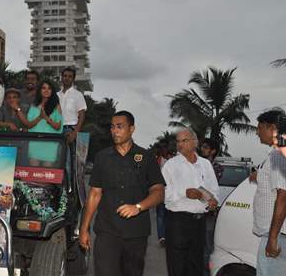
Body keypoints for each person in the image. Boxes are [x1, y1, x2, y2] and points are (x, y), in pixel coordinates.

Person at [79, 110, 166, 276]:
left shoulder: (146, 157)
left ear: (132, 129)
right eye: (112, 127)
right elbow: (95, 194)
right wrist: (84, 228)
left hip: (136, 233)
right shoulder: (102, 157)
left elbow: (158, 192)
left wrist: (138, 207)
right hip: (107, 231)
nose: (114, 131)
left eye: (120, 126)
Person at [162, 128, 219, 276]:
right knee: (177, 266)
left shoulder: (205, 164)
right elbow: (163, 193)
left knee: (196, 266)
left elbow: (214, 189)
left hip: (199, 222)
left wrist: (213, 201)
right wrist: (184, 193)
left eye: (184, 140)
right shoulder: (170, 165)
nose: (180, 144)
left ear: (195, 142)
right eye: (178, 141)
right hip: (177, 222)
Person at [252, 109, 286, 275]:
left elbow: (283, 196)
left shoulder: (278, 154)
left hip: (277, 234)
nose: (257, 132)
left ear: (272, 128)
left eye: (259, 127)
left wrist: (273, 238)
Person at [17, 80, 63, 166]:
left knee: (46, 175)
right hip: (35, 143)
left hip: (50, 145)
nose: (46, 90)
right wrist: (40, 117)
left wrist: (46, 118)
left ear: (52, 91)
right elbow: (29, 125)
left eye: (49, 88)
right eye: (43, 88)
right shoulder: (34, 106)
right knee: (34, 175)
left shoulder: (57, 106)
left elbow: (58, 127)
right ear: (40, 90)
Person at [200, 137, 223, 275]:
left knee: (207, 246)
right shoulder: (195, 165)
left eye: (206, 147)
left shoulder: (217, 168)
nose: (202, 149)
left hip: (208, 212)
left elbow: (207, 188)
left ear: (213, 151)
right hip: (193, 211)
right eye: (202, 146)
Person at [156, 139, 174, 247]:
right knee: (160, 215)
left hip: (170, 193)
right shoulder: (156, 161)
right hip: (160, 192)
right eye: (162, 148)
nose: (163, 150)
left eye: (165, 147)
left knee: (168, 216)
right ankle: (162, 237)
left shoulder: (173, 160)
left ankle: (167, 236)